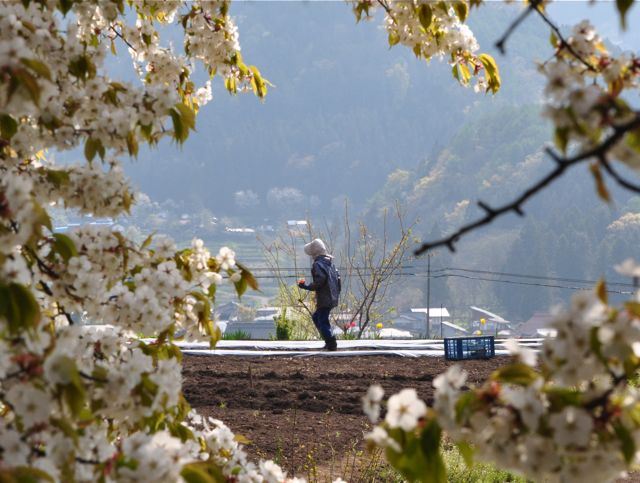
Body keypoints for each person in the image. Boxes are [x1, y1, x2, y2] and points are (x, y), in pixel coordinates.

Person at [298, 238, 341, 351]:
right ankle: (329, 341)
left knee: (322, 320)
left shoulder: (318, 264)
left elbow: (319, 281)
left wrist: (306, 286)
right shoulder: (330, 264)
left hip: (325, 298)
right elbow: (338, 280)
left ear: (314, 253)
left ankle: (331, 344)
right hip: (332, 297)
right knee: (317, 317)